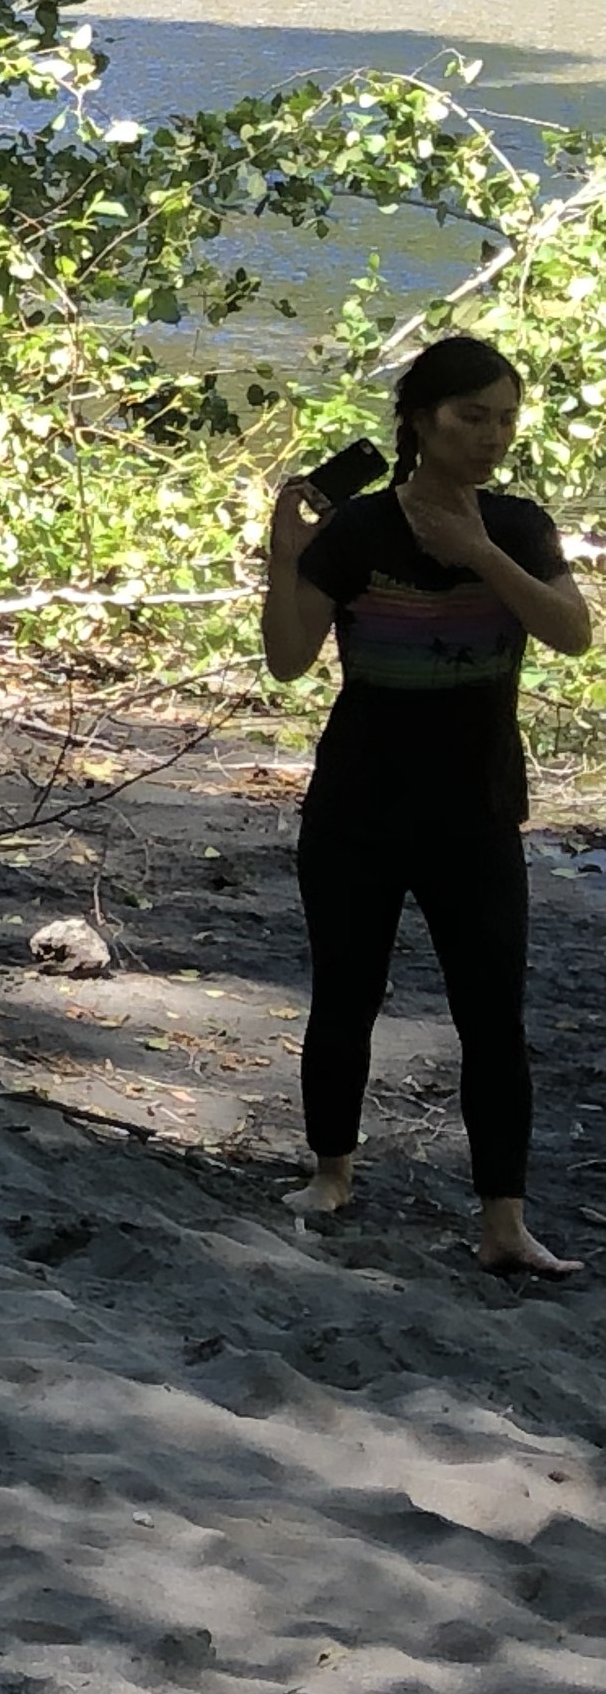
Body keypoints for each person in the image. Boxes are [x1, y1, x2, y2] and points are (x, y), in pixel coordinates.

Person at [262, 334, 591, 1276]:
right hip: (358, 808)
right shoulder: (359, 532)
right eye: (470, 417)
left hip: (478, 810)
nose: (490, 437)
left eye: (503, 419)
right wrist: (285, 560)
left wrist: (482, 553)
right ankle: (332, 1172)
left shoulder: (518, 525)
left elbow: (571, 633)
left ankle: (504, 1224)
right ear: (418, 420)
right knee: (346, 995)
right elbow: (289, 661)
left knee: (493, 1015)